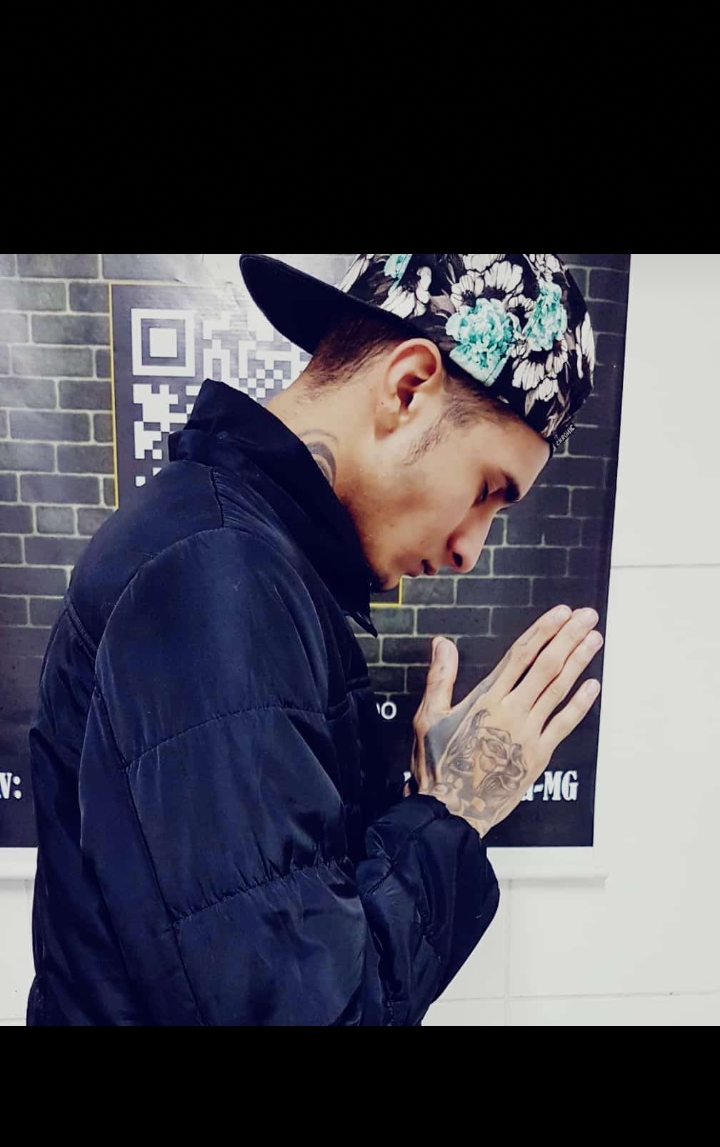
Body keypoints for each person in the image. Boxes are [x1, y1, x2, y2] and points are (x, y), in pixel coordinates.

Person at [27, 253, 601, 1027]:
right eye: (487, 490)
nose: (471, 548)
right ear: (409, 388)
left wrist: (429, 804)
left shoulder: (233, 554)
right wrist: (457, 812)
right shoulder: (215, 574)